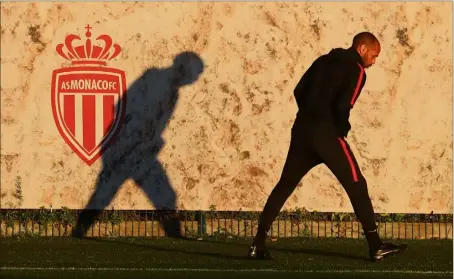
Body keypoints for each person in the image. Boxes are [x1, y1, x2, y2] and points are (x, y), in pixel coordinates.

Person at [248, 32, 407, 262]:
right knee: (356, 184)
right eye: (373, 56)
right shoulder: (356, 70)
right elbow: (344, 105)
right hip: (327, 134)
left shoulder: (322, 60)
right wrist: (339, 129)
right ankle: (375, 246)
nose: (373, 62)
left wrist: (311, 114)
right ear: (362, 49)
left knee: (285, 185)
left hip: (302, 130)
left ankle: (257, 244)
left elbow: (298, 91)